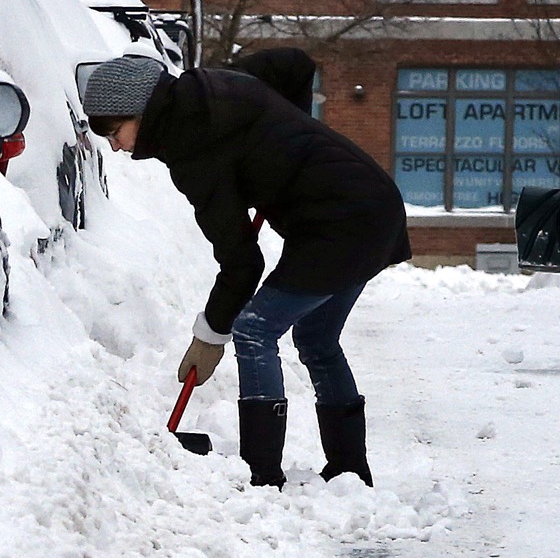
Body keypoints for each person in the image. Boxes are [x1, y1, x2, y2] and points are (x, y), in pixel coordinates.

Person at [81, 53, 410, 487]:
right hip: (375, 204)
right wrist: (289, 142)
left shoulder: (193, 150)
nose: (115, 146)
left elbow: (242, 261)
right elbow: (293, 65)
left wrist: (211, 335)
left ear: (141, 111)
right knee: (316, 337)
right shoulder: (213, 86)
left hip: (339, 226)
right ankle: (349, 469)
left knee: (254, 329)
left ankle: (261, 472)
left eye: (114, 131)